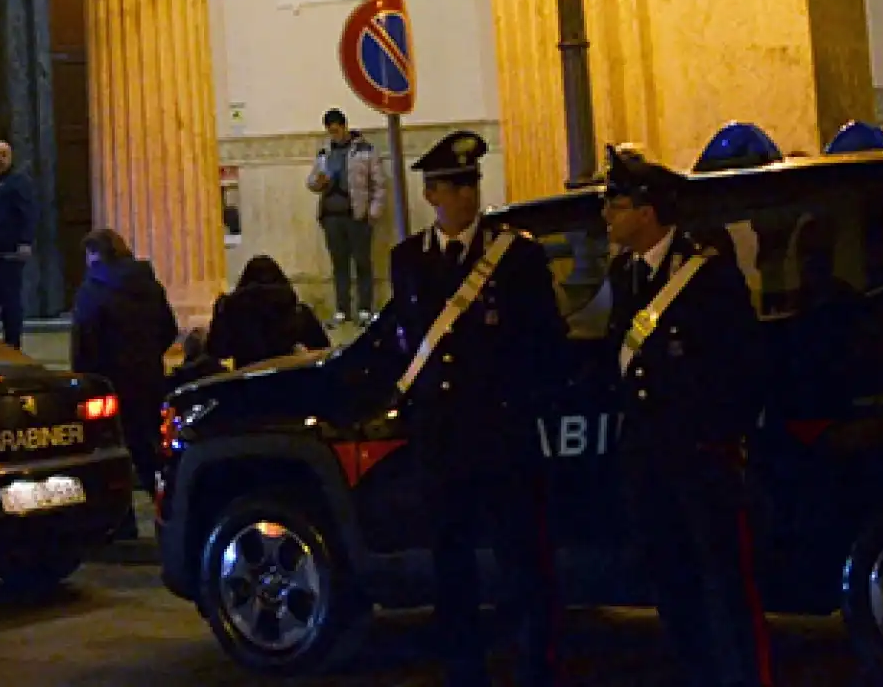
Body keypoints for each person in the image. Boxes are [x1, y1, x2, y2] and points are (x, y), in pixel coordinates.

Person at [373, 130, 564, 687]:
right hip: (442, 441)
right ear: (431, 194)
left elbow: (542, 341)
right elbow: (405, 341)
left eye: (471, 183)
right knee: (451, 565)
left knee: (521, 563)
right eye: (454, 186)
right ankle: (463, 667)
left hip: (502, 437)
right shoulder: (408, 260)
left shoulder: (517, 256)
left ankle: (535, 667)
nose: (466, 195)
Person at [600, 145, 774, 687]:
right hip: (647, 460)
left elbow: (740, 362)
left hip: (699, 459)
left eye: (616, 205)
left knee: (724, 583)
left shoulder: (705, 274)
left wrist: (716, 437)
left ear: (647, 212)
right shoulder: (624, 272)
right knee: (670, 582)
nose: (606, 215)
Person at [70, 229, 178, 540]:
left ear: (95, 256)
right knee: (151, 450)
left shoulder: (93, 290)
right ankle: (168, 511)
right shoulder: (148, 284)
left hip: (110, 383)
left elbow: (84, 341)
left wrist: (85, 378)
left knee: (115, 451)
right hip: (148, 377)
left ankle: (123, 522)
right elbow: (168, 328)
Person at [306, 108, 385, 324]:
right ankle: (342, 309)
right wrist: (317, 183)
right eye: (330, 131)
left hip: (357, 215)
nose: (334, 134)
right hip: (332, 215)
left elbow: (379, 184)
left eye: (337, 130)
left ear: (344, 126)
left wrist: (373, 213)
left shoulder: (365, 150)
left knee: (362, 262)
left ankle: (365, 308)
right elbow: (311, 181)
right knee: (339, 263)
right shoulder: (324, 153)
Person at [206, 255, 328, 369]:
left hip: (247, 386)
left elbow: (217, 351)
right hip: (288, 383)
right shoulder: (297, 312)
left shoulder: (230, 311)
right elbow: (324, 350)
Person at [0, 141, 37, 349]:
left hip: (9, 253)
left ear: (10, 158)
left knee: (10, 302)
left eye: (3, 155)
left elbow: (28, 213)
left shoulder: (18, 182)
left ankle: (12, 344)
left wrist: (25, 242)